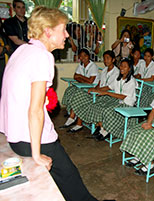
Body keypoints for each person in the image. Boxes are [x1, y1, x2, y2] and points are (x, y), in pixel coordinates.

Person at [0, 6, 97, 201]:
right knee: (70, 177)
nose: (66, 34)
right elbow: (35, 111)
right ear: (48, 31)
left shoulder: (21, 51)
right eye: (63, 29)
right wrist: (37, 154)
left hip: (15, 134)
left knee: (61, 177)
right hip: (30, 139)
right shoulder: (42, 56)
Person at [61, 50, 119, 132]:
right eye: (104, 59)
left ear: (113, 59)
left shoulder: (116, 72)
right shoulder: (105, 70)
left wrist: (96, 90)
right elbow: (100, 83)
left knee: (82, 97)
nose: (105, 61)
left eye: (108, 58)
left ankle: (77, 122)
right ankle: (77, 122)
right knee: (80, 96)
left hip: (108, 95)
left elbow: (109, 87)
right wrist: (96, 88)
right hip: (99, 92)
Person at [83, 58, 138, 141]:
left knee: (107, 111)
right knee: (98, 106)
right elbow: (109, 87)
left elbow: (123, 96)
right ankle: (102, 127)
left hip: (127, 104)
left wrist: (107, 93)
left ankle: (105, 130)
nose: (122, 68)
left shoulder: (131, 81)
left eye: (125, 66)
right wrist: (97, 90)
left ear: (129, 69)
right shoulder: (118, 78)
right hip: (118, 101)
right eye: (121, 66)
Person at [60, 48, 100, 131]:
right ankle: (71, 116)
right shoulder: (81, 65)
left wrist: (81, 77)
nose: (83, 58)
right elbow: (75, 77)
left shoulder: (93, 66)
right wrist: (84, 79)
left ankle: (77, 122)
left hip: (92, 89)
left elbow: (90, 81)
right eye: (81, 56)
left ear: (88, 56)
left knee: (78, 95)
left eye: (85, 56)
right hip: (84, 87)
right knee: (70, 90)